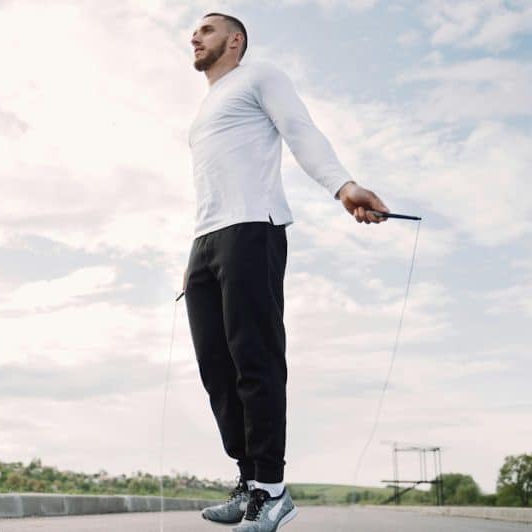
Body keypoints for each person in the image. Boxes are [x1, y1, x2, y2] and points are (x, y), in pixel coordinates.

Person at [182, 12, 389, 532]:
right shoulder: (207, 107)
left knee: (255, 358)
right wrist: (198, 253)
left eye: (206, 30)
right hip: (205, 241)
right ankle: (250, 480)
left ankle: (273, 491)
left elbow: (301, 131)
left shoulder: (260, 76)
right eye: (194, 30)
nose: (194, 36)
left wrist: (344, 187)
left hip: (253, 229)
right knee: (216, 369)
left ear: (235, 40)